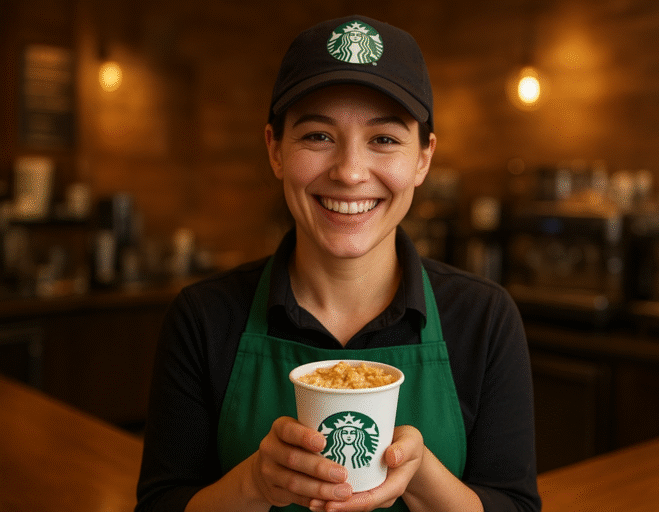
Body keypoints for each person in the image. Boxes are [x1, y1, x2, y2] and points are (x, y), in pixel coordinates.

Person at [135, 14, 541, 512]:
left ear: (423, 159)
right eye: (318, 137)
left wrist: (424, 478)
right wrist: (254, 485)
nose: (349, 172)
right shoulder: (203, 317)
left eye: (385, 139)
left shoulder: (484, 318)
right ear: (275, 150)